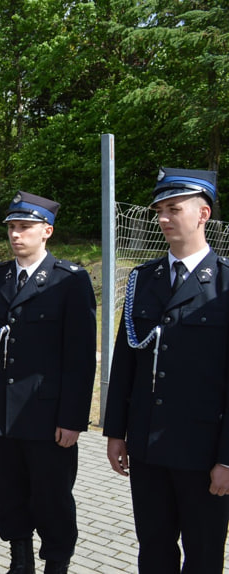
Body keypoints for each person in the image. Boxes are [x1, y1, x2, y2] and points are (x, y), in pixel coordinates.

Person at [105, 167, 229, 574]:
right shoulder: (143, 279)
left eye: (174, 209)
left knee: (204, 553)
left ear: (202, 214)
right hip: (148, 446)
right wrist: (115, 432)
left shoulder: (225, 284)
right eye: (159, 210)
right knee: (154, 549)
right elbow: (125, 363)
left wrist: (227, 459)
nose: (163, 218)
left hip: (203, 452)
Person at [0, 191, 96, 574]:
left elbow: (79, 358)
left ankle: (56, 564)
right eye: (11, 227)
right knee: (9, 493)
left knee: (52, 497)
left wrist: (73, 418)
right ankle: (20, 560)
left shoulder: (69, 280)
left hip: (48, 415)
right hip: (4, 412)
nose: (15, 234)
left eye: (24, 227)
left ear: (47, 231)